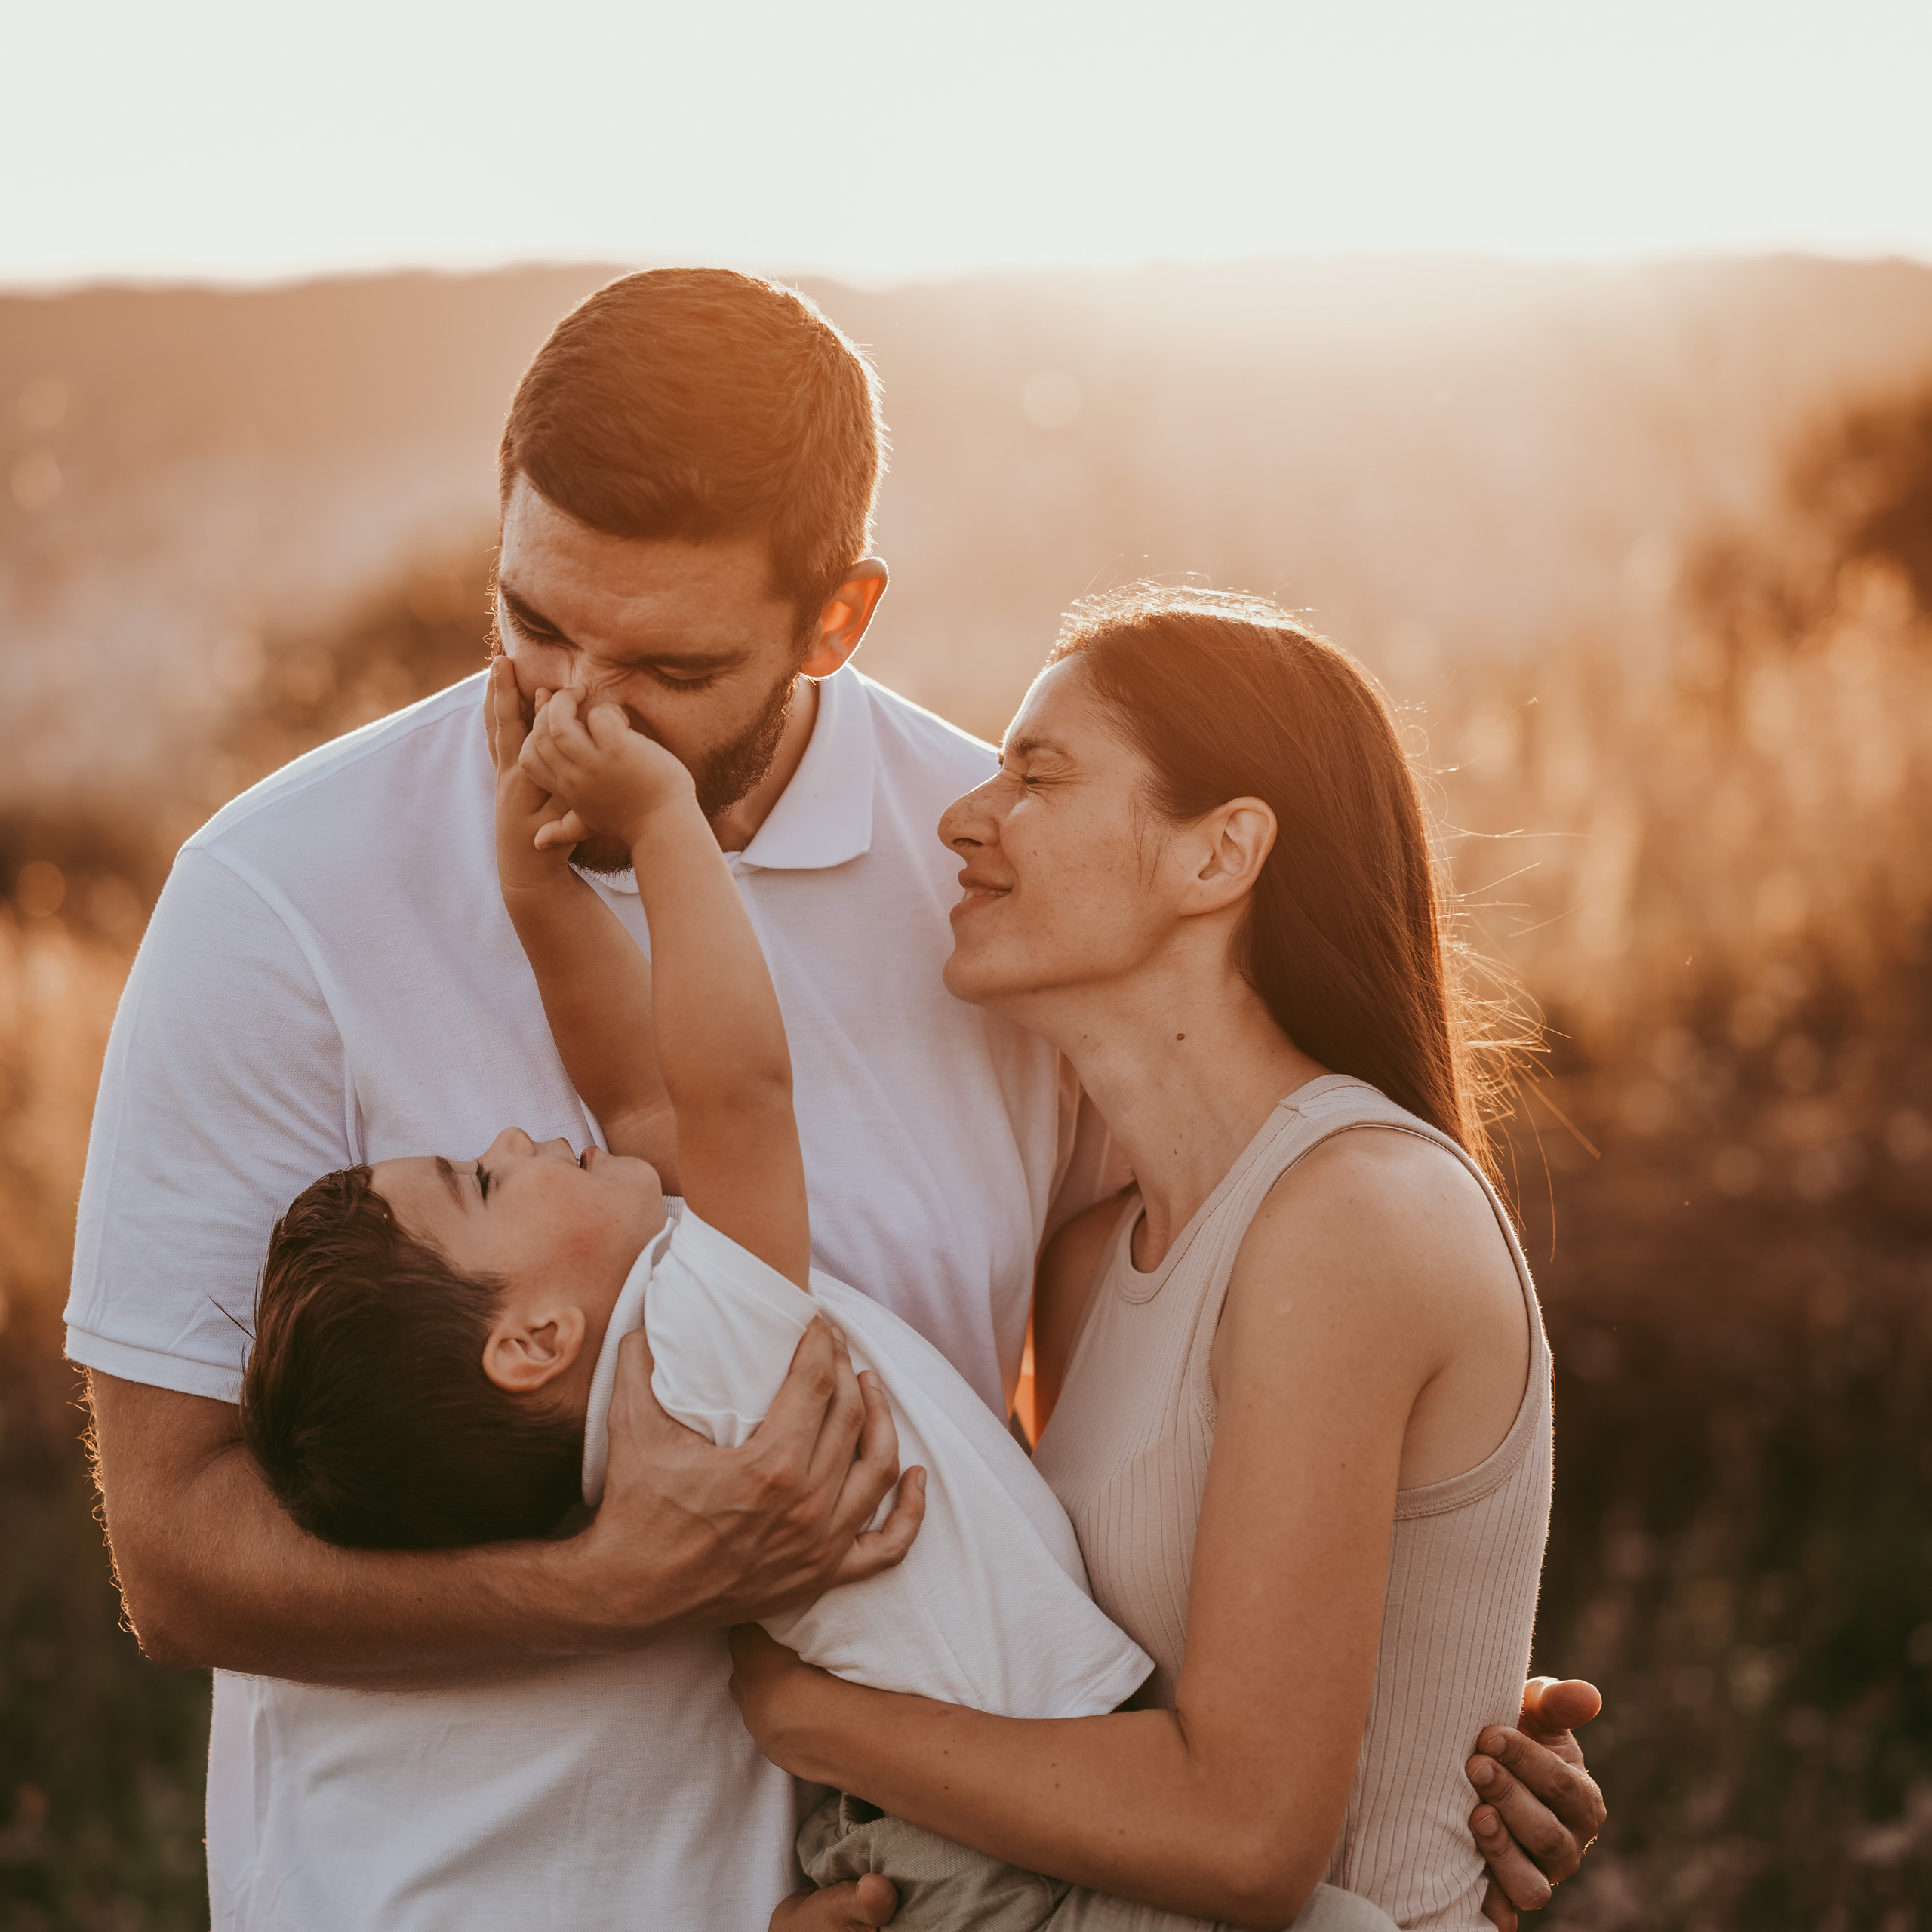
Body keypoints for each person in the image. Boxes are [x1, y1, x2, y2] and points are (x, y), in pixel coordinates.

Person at [66, 269, 1600, 1929]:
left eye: (665, 660)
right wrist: (611, 1586)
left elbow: (1121, 1470)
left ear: (836, 619)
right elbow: (174, 1552)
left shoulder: (1000, 895)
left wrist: (1415, 1756)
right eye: (530, 619)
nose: (574, 703)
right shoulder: (276, 898)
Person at [730, 588, 1607, 1931]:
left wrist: (805, 1718)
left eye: (1039, 774)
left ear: (1220, 857)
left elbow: (1244, 1836)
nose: (964, 818)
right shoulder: (1091, 1263)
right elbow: (1093, 1701)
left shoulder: (1355, 1216)